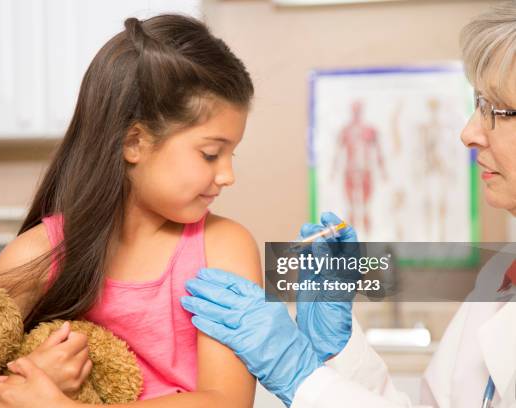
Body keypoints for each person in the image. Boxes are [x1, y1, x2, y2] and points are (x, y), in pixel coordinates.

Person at [181, 3, 516, 407]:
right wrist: (337, 350)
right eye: (477, 105)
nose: (468, 133)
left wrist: (300, 375)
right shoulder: (501, 279)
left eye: (496, 110)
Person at [0, 14, 262, 408]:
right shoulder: (34, 257)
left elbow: (228, 401)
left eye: (231, 154)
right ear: (134, 142)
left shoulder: (225, 248)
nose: (227, 175)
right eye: (210, 153)